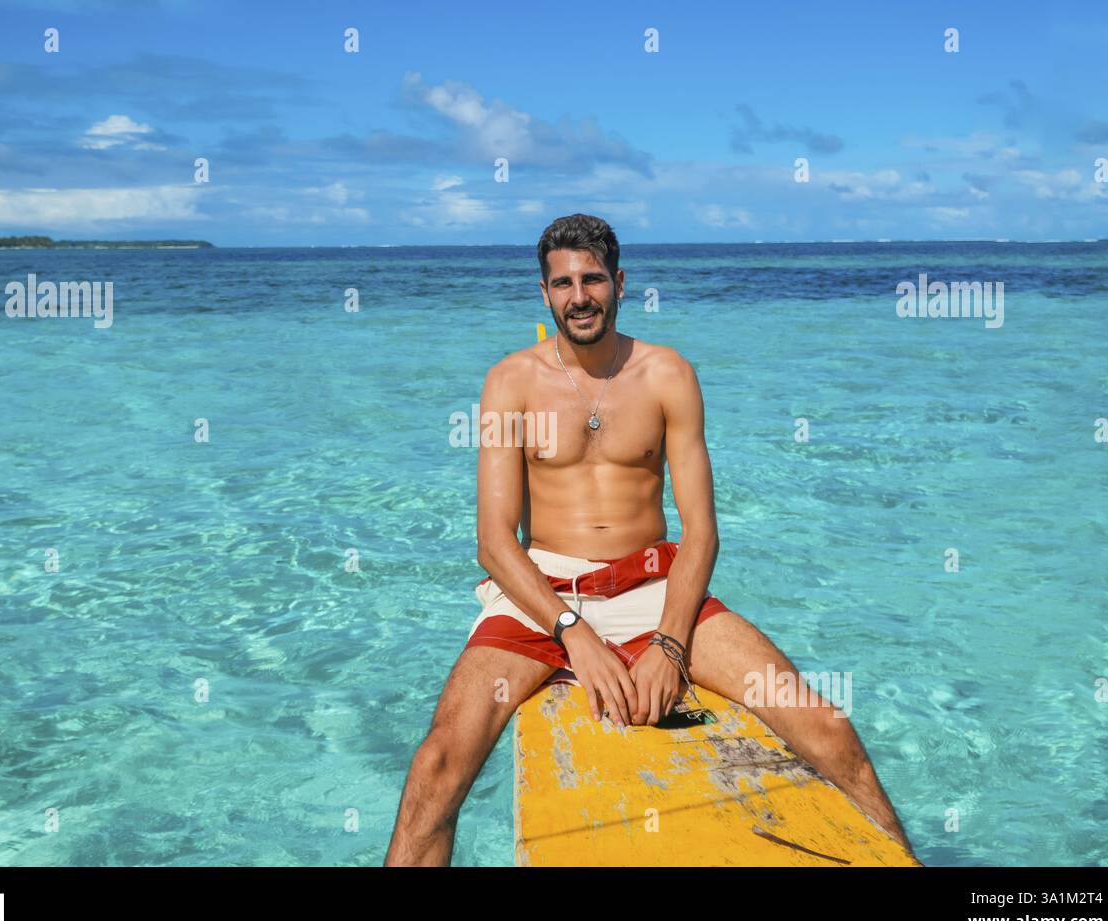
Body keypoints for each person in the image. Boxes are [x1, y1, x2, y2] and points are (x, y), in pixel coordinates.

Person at [385, 213, 914, 866]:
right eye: (562, 283)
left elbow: (701, 532)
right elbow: (495, 544)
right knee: (436, 769)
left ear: (620, 283)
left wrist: (669, 642)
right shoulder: (510, 383)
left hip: (653, 585)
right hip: (544, 595)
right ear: (544, 293)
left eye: (593, 279)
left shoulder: (668, 375)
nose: (579, 296)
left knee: (828, 730)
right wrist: (572, 632)